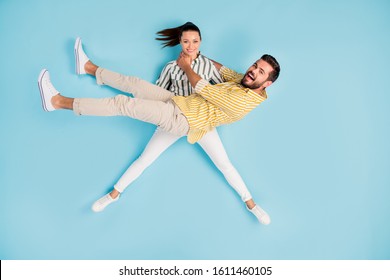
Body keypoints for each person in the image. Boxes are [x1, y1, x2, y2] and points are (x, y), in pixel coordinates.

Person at [38, 27, 280, 225]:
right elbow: (224, 70)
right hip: (181, 103)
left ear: (266, 84)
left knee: (122, 104)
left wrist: (186, 66)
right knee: (133, 84)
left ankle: (57, 102)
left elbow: (202, 87)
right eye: (254, 66)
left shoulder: (243, 102)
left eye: (260, 72)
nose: (252, 72)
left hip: (181, 119)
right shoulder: (244, 80)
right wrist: (197, 56)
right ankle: (88, 67)